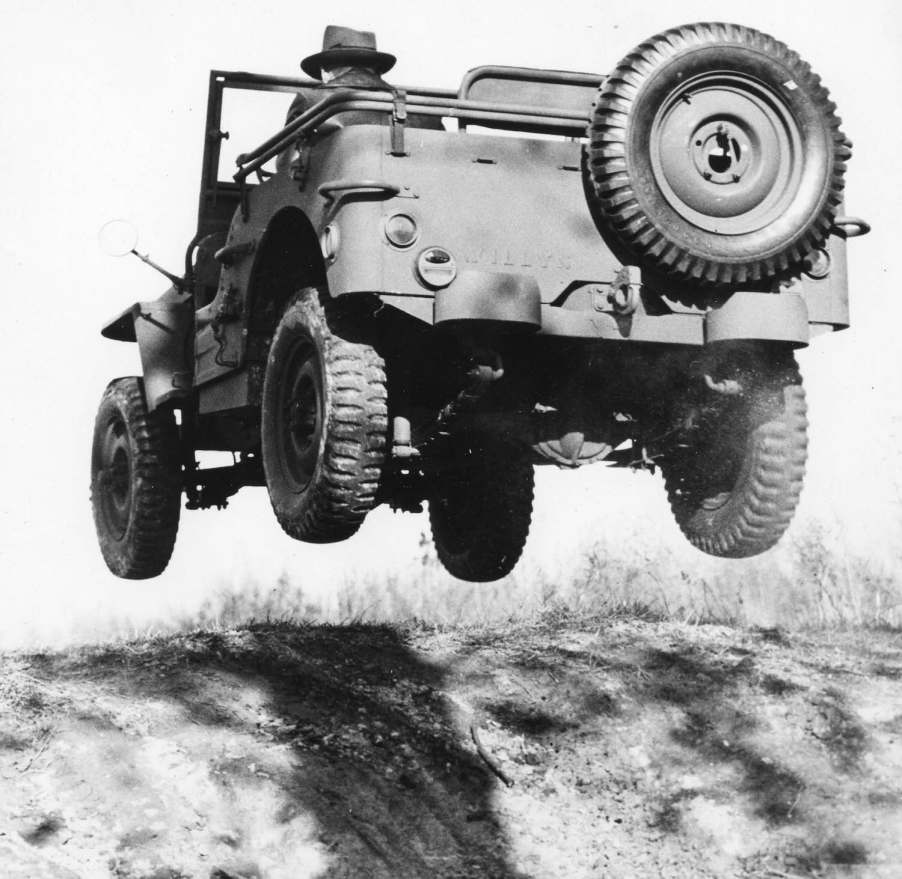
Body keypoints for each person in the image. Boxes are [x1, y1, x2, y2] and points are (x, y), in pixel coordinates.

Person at [285, 25, 442, 130]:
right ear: (376, 69)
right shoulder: (422, 108)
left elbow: (286, 161)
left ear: (325, 71)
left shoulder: (310, 101)